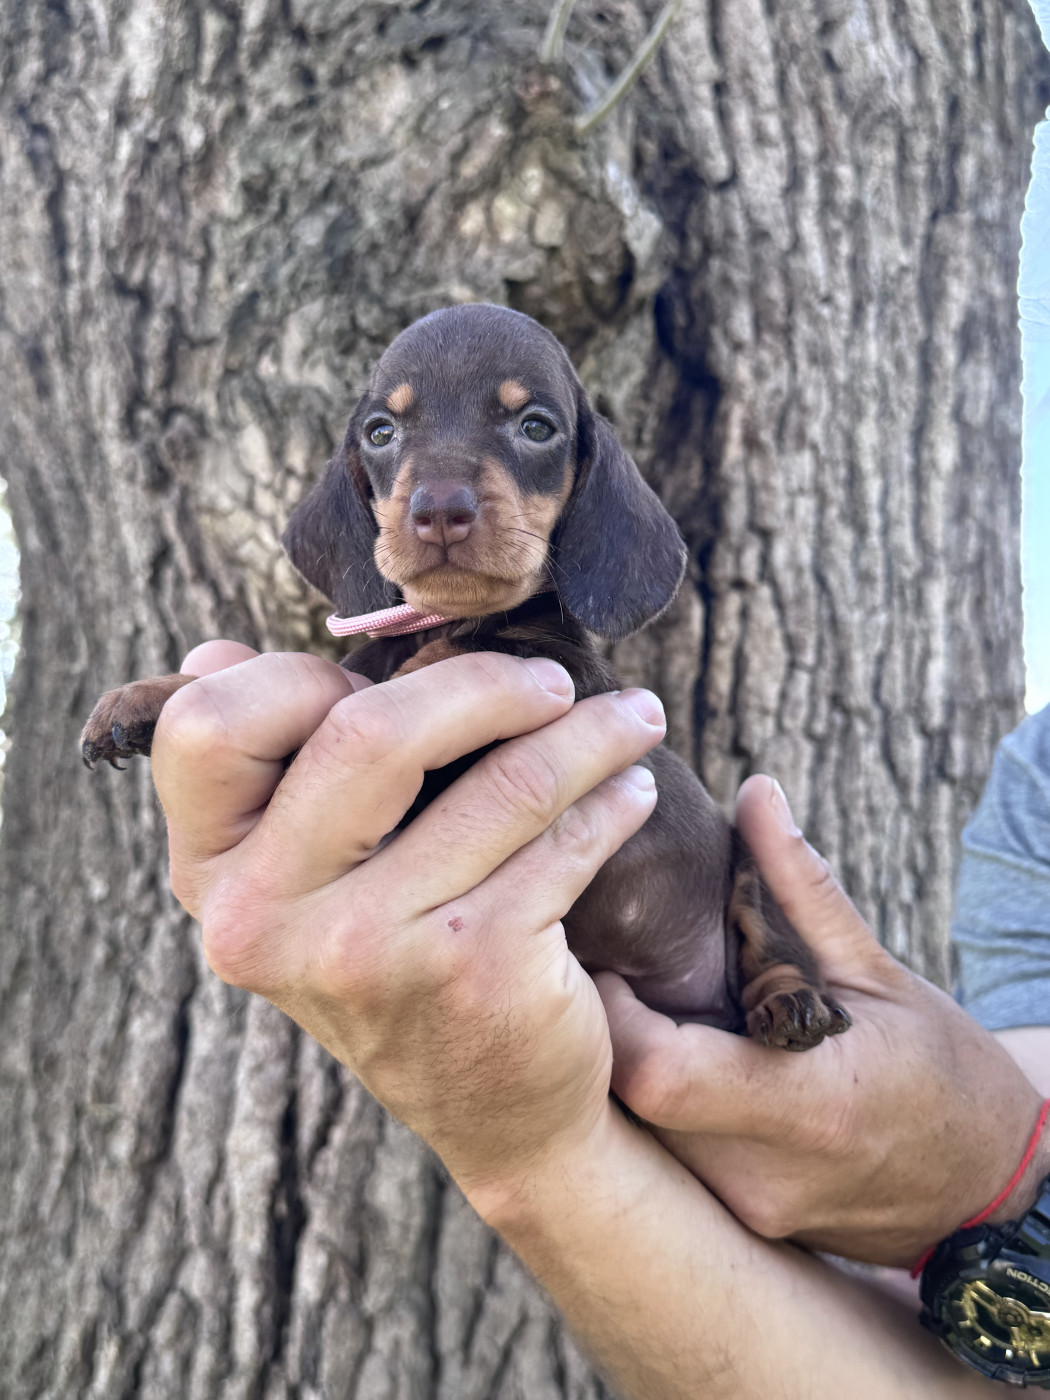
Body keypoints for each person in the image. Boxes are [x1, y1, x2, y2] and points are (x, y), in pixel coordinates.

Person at [150, 639, 1049, 1400]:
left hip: (715, 962)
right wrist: (539, 1154)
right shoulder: (1036, 783)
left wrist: (992, 1190)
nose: (442, 503)